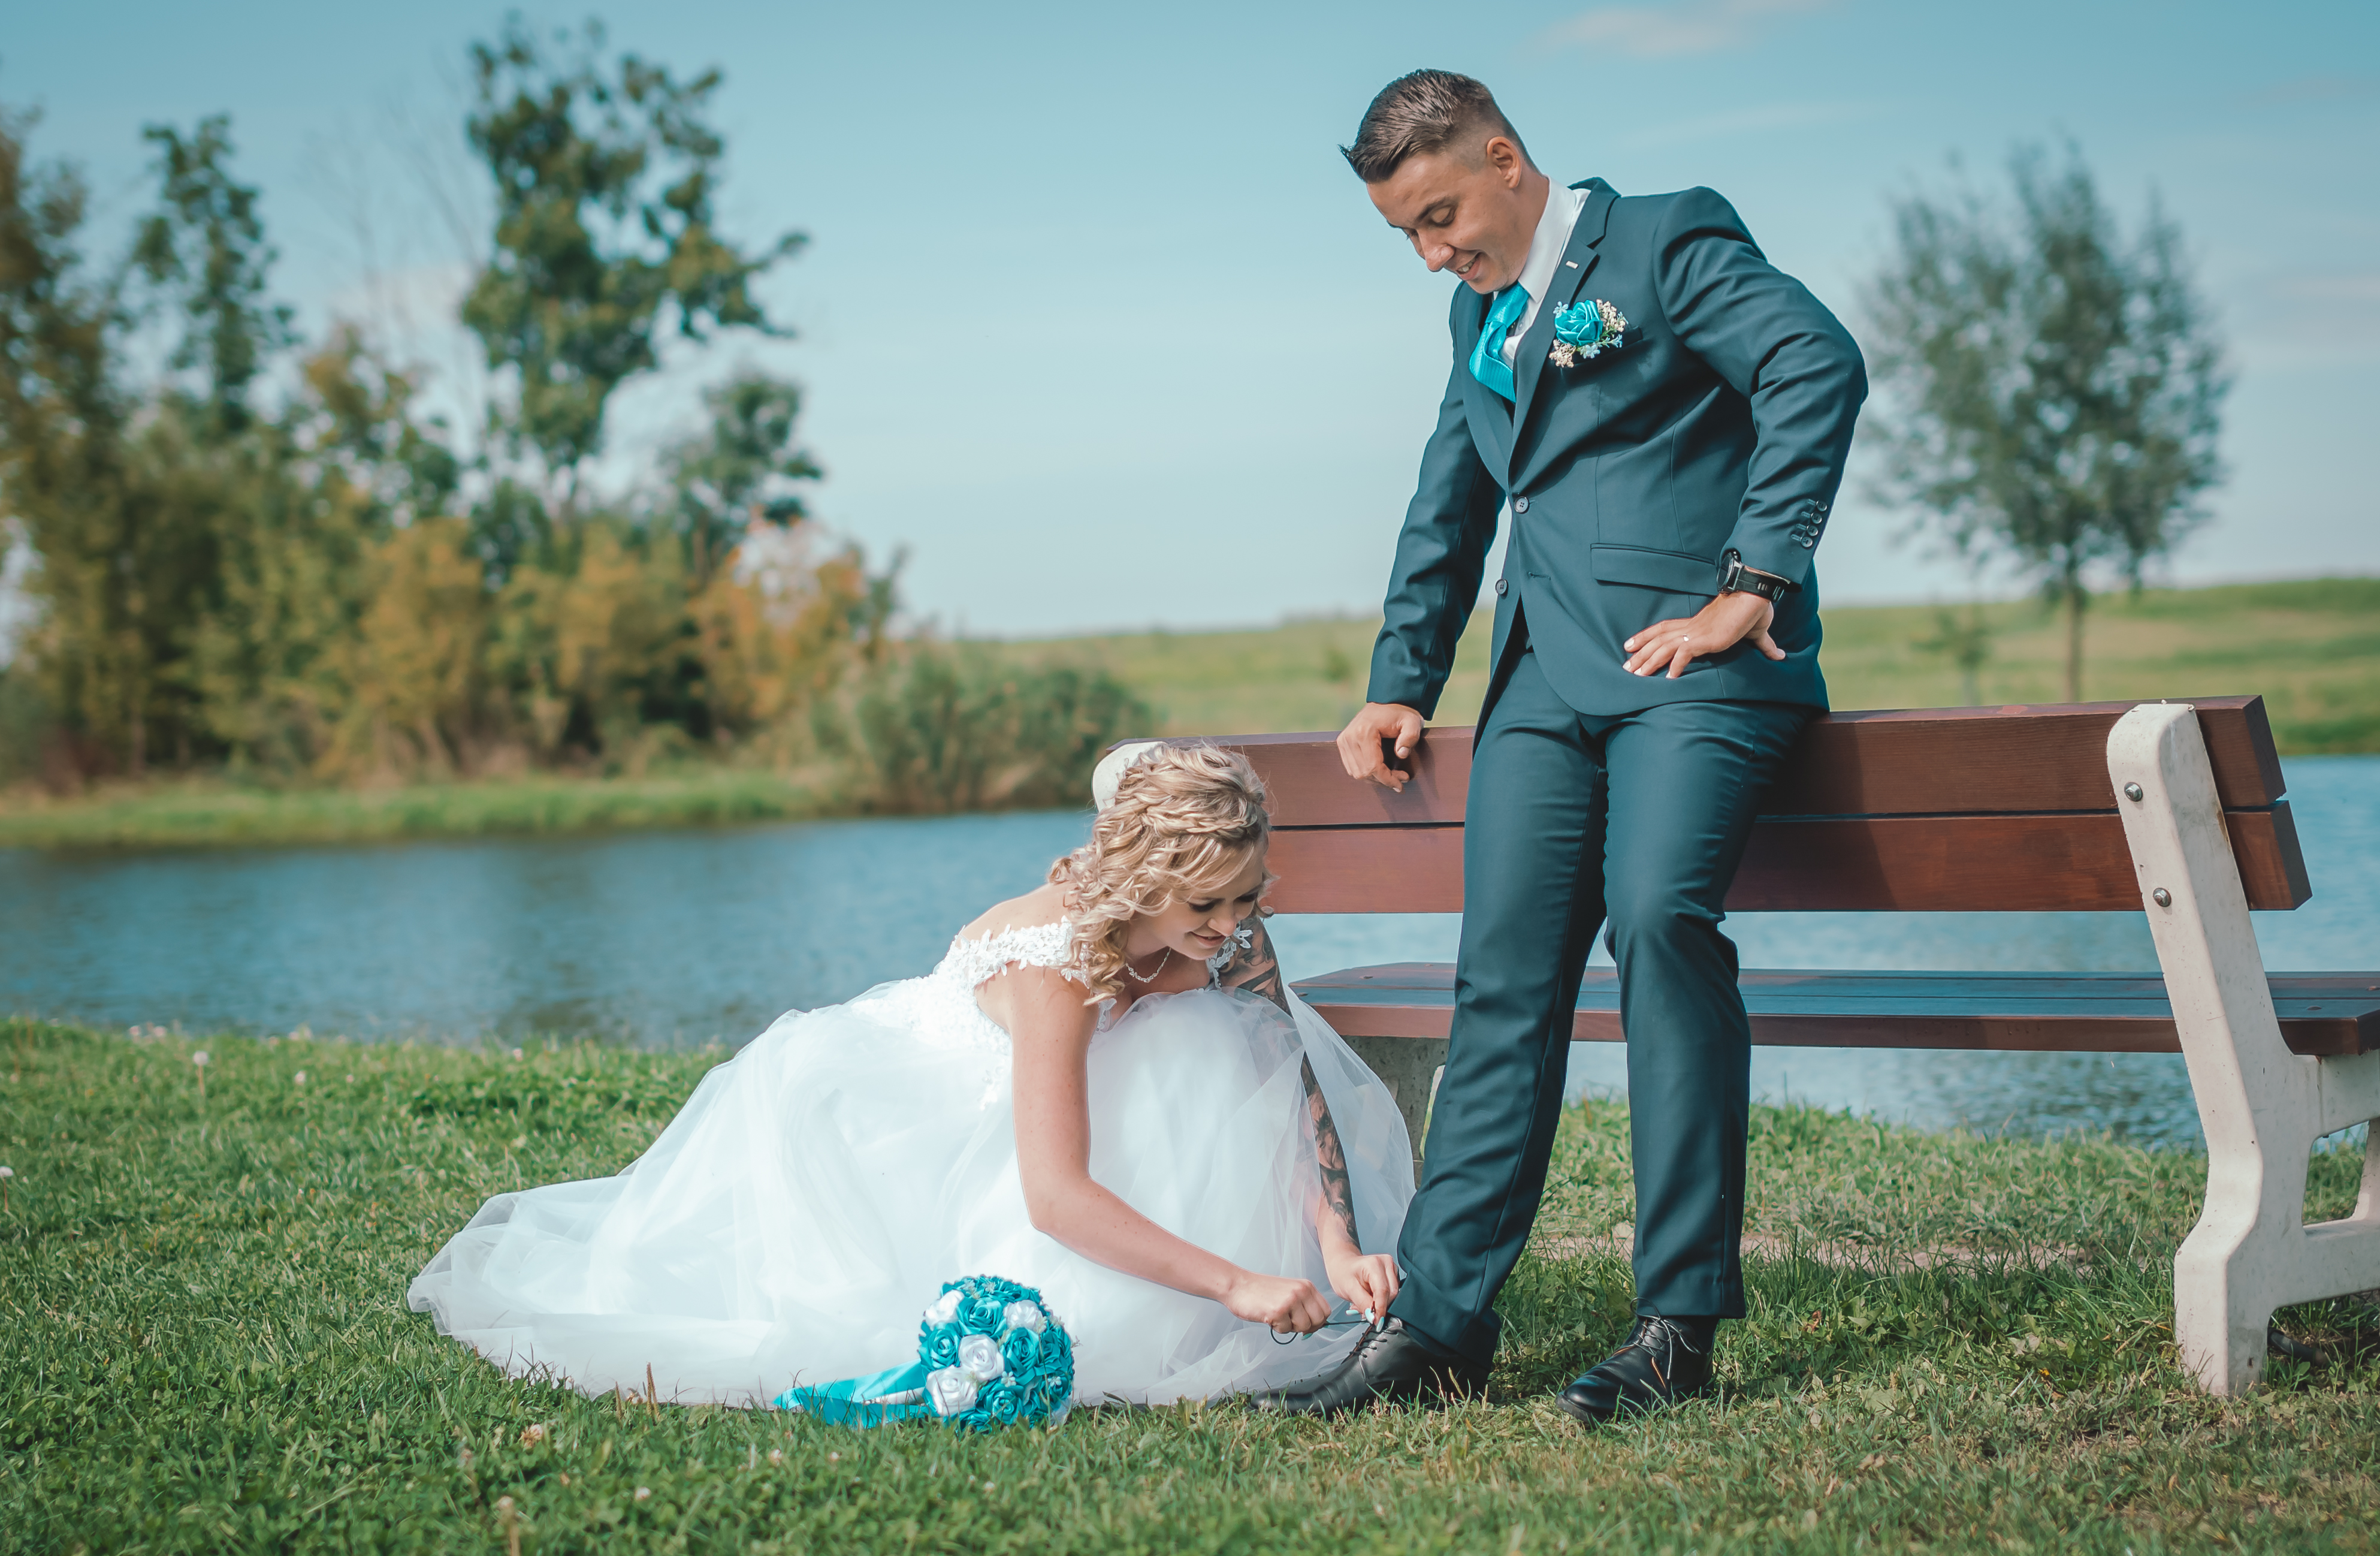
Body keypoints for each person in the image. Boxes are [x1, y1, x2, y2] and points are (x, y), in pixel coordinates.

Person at [1258, 71, 1867, 1424]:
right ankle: (1436, 1326)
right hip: (1537, 682)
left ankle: (1676, 1326)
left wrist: (1752, 582)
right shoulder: (1475, 316)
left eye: (1440, 216)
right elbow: (1449, 499)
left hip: (1688, 674)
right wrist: (1400, 681)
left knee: (1659, 920)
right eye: (1406, 236)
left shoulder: (1664, 239)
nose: (1433, 254)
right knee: (1503, 980)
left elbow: (1813, 361)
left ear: (1504, 157)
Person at [407, 743, 1413, 1408]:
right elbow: (1056, 1196)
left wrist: (1334, 1238)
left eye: (1247, 898)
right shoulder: (1058, 964)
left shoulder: (1225, 932)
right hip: (897, 1126)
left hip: (1062, 1100)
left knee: (1212, 1041)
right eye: (1208, 904)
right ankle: (1216, 1293)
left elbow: (1277, 1084)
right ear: (1143, 879)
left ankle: (1270, 1283)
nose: (1232, 926)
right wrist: (1235, 1282)